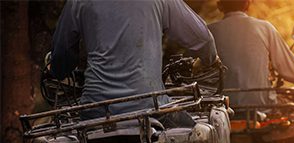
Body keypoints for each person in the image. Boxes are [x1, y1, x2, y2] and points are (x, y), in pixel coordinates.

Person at [50, 0, 218, 119]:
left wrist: (59, 70)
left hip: (96, 108)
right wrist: (209, 60)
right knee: (193, 136)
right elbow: (203, 39)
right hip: (150, 106)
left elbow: (61, 56)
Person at [208, 0, 294, 108]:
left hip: (221, 110)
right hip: (262, 107)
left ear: (220, 6)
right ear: (247, 4)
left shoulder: (209, 33)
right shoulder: (264, 28)